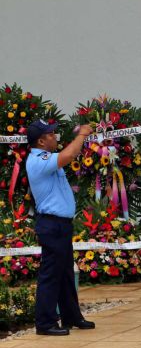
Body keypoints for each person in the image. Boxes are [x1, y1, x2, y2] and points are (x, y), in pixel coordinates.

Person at [25, 119, 95, 335]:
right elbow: (68, 155)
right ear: (41, 141)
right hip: (52, 224)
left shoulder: (47, 157)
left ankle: (71, 316)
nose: (55, 136)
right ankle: (45, 323)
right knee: (51, 274)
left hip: (60, 224)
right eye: (51, 134)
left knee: (64, 273)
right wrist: (82, 135)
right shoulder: (38, 160)